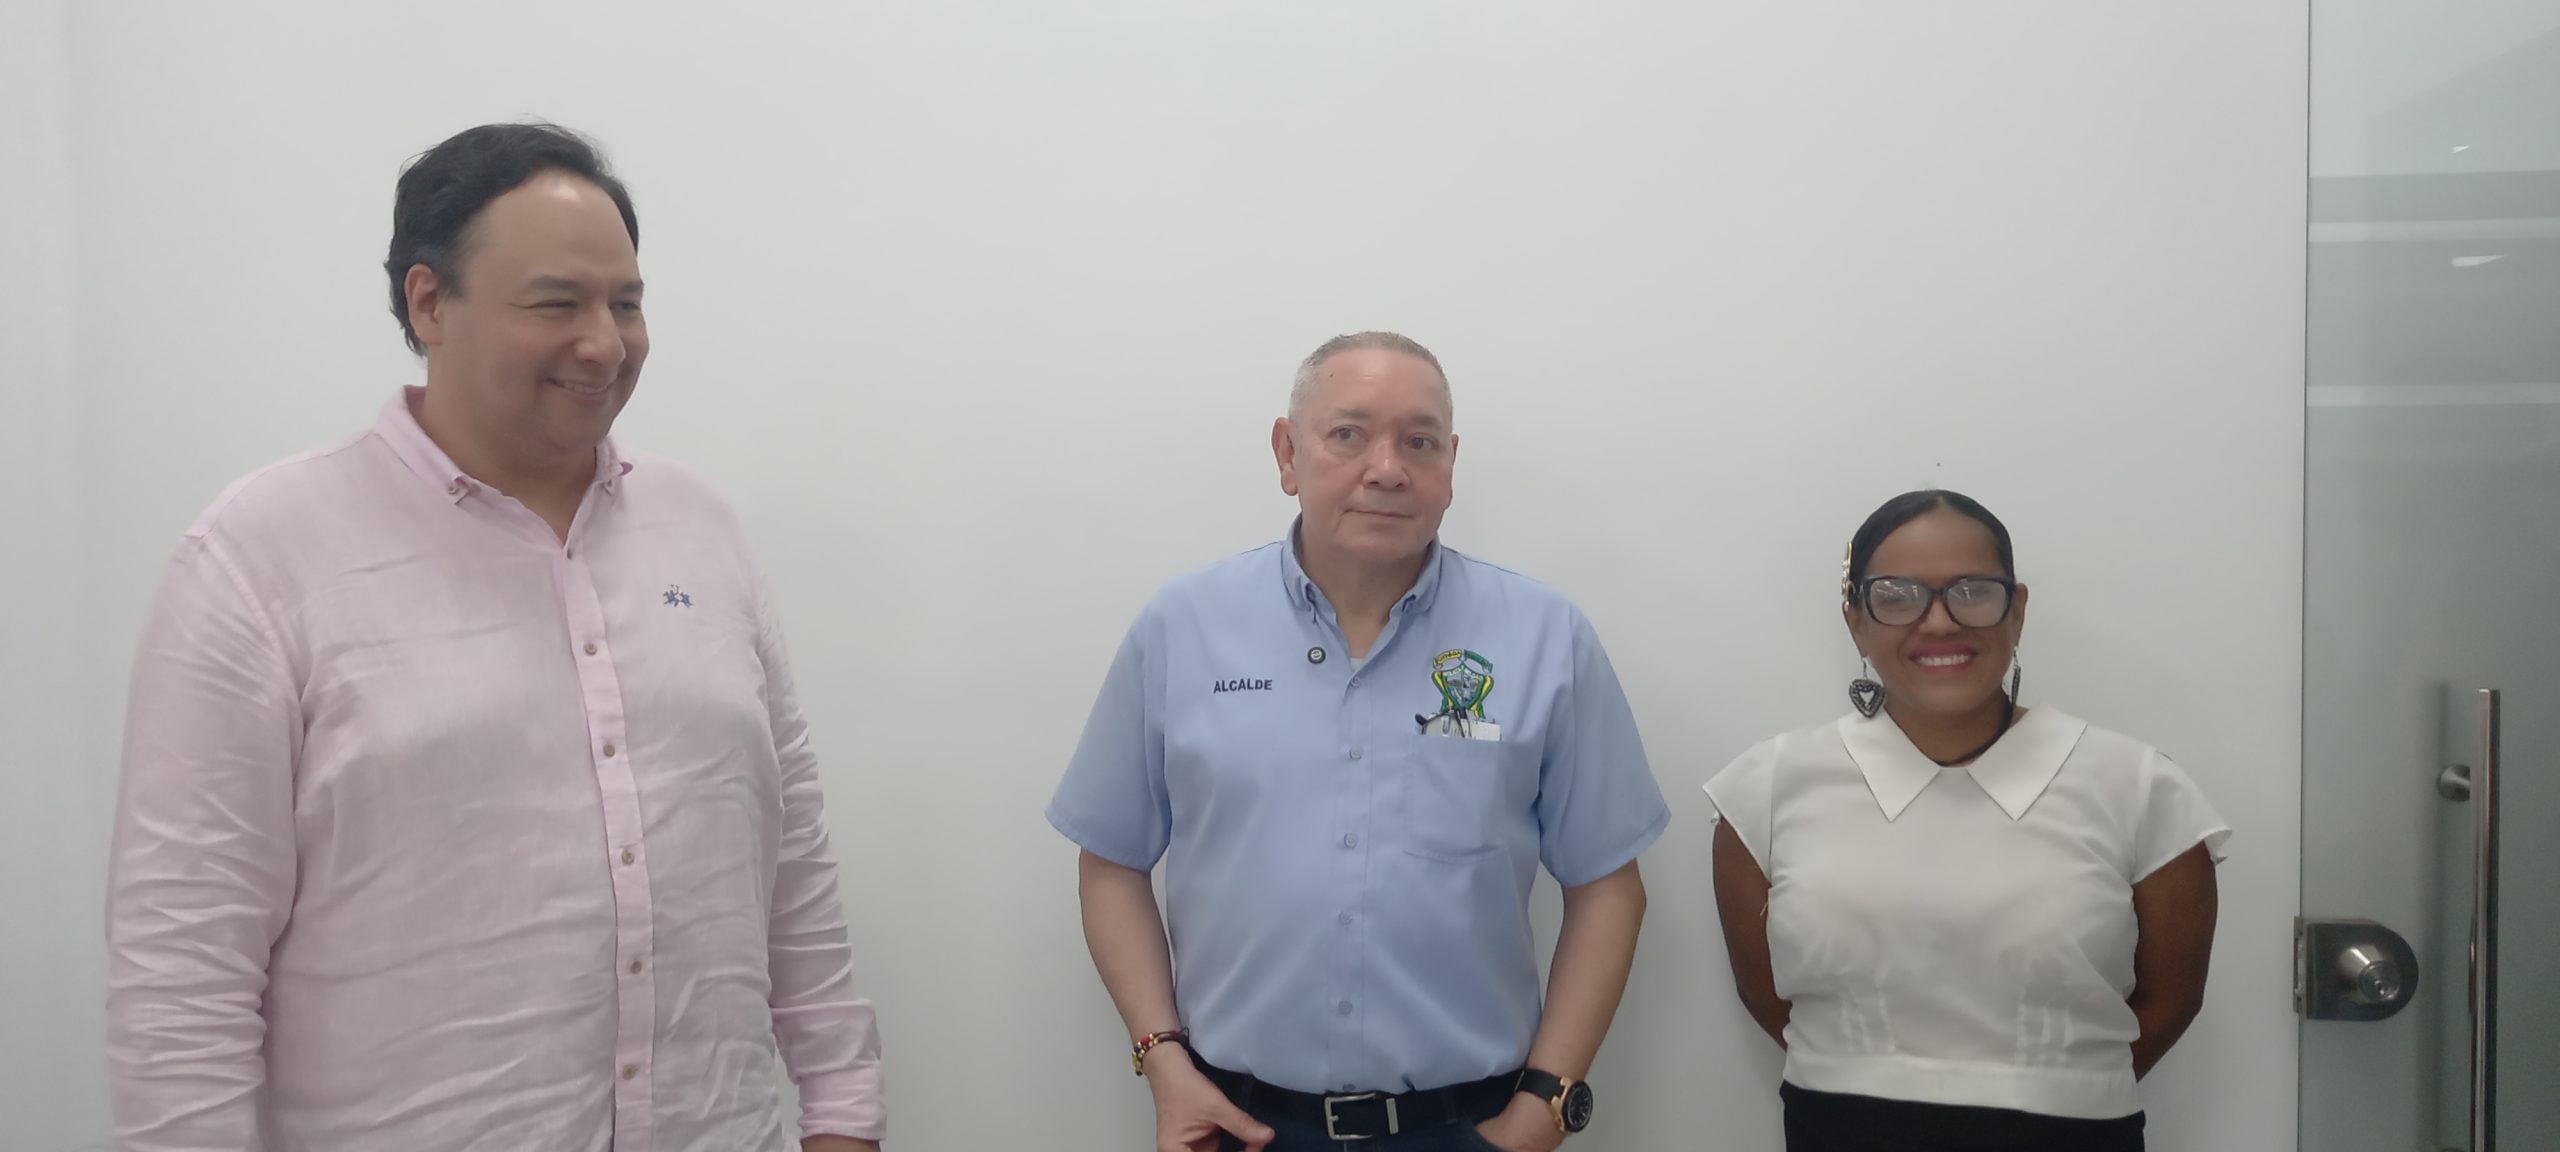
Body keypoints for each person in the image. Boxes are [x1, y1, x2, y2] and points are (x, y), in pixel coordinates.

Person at [104, 122, 885, 1152]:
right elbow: (182, 974)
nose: (604, 343)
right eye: (557, 304)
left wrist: (844, 1113)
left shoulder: (702, 530)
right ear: (430, 302)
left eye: (627, 303)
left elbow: (789, 863)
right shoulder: (261, 558)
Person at [1048, 331, 1669, 1152]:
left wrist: (1544, 1106)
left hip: (1468, 1127)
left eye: (1420, 441)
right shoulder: (1183, 627)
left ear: (1451, 464)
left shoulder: (1544, 637)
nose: (1387, 468)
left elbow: (1608, 887)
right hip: (1239, 1126)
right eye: (1348, 434)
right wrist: (1162, 1059)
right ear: (1287, 453)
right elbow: (1110, 859)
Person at [1704, 489, 2226, 1152]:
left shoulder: (2140, 788)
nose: (1940, 622)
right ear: (1855, 620)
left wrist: (2056, 1087)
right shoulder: (1766, 791)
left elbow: (2172, 999)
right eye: (1896, 596)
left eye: (1973, 592)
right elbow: (1767, 999)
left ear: (2018, 611)